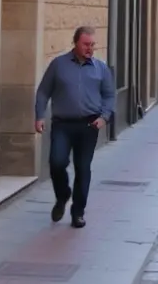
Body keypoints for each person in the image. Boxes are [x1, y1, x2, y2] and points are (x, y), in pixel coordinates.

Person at [34, 26, 116, 229]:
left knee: (83, 168)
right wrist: (40, 116)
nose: (90, 48)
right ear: (76, 43)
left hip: (89, 125)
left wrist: (104, 117)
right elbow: (43, 91)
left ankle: (78, 212)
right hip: (63, 124)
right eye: (86, 44)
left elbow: (109, 95)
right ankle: (63, 195)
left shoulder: (100, 68)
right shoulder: (59, 65)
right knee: (56, 162)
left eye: (92, 45)